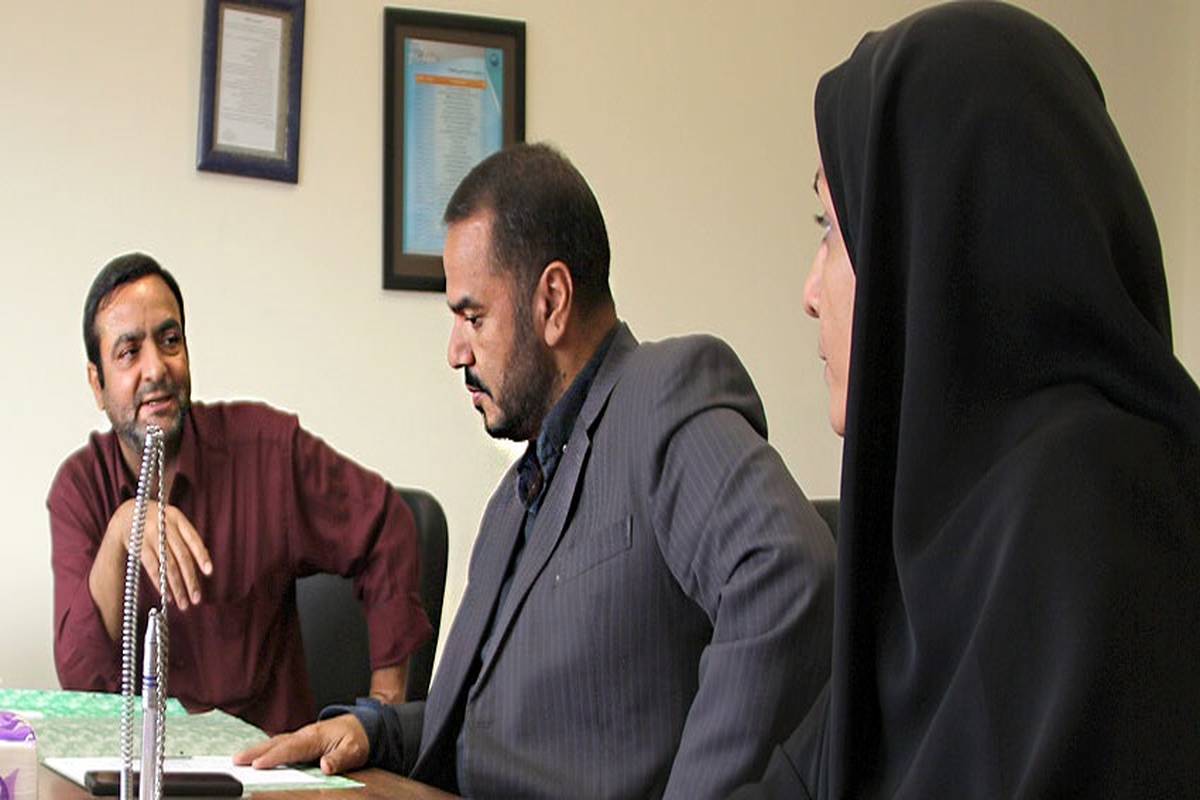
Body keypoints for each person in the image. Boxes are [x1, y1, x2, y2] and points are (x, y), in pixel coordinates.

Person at [236, 143, 836, 798]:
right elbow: (487, 728)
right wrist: (374, 730)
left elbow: (786, 571)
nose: (455, 351)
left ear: (551, 301)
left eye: (473, 317)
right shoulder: (511, 503)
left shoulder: (662, 395)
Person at [735, 3, 1200, 798]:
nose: (810, 292)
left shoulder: (1093, 512)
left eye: (831, 227)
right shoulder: (938, 525)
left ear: (940, 236)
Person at [49, 253, 432, 734]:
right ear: (97, 383)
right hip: (138, 761)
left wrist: (382, 718)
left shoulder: (267, 452)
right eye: (128, 352)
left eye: (170, 341)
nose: (156, 369)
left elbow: (387, 525)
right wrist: (120, 534)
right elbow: (79, 682)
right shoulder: (80, 489)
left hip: (266, 763)